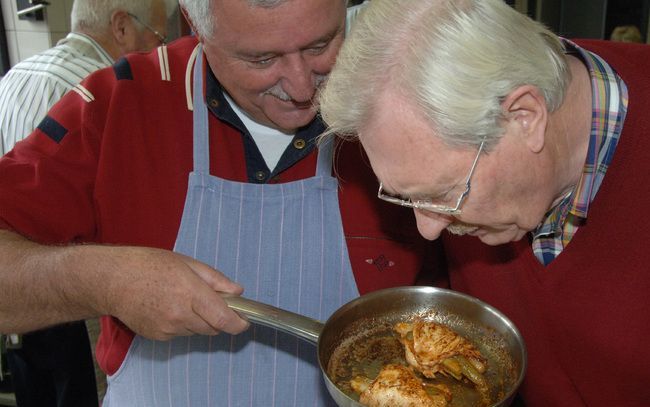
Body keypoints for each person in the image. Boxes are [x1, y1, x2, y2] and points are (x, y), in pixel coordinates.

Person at [0, 0, 437, 405]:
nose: (303, 88)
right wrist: (104, 280)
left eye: (321, 43)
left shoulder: (406, 96)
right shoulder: (118, 106)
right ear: (197, 27)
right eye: (260, 59)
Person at [319, 0, 650, 405]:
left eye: (441, 195)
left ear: (524, 116)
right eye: (406, 198)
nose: (428, 229)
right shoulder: (452, 129)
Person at [0, 0, 174, 406]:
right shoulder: (103, 93)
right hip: (66, 302)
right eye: (158, 37)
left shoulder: (16, 74)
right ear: (121, 27)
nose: (159, 51)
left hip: (17, 311)